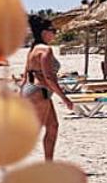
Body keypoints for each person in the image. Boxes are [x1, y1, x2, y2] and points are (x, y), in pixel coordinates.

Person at [22, 14, 75, 160]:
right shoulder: (45, 50)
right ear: (44, 32)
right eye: (53, 31)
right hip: (40, 92)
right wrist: (64, 98)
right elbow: (49, 77)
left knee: (53, 127)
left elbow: (26, 75)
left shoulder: (33, 49)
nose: (55, 34)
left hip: (33, 90)